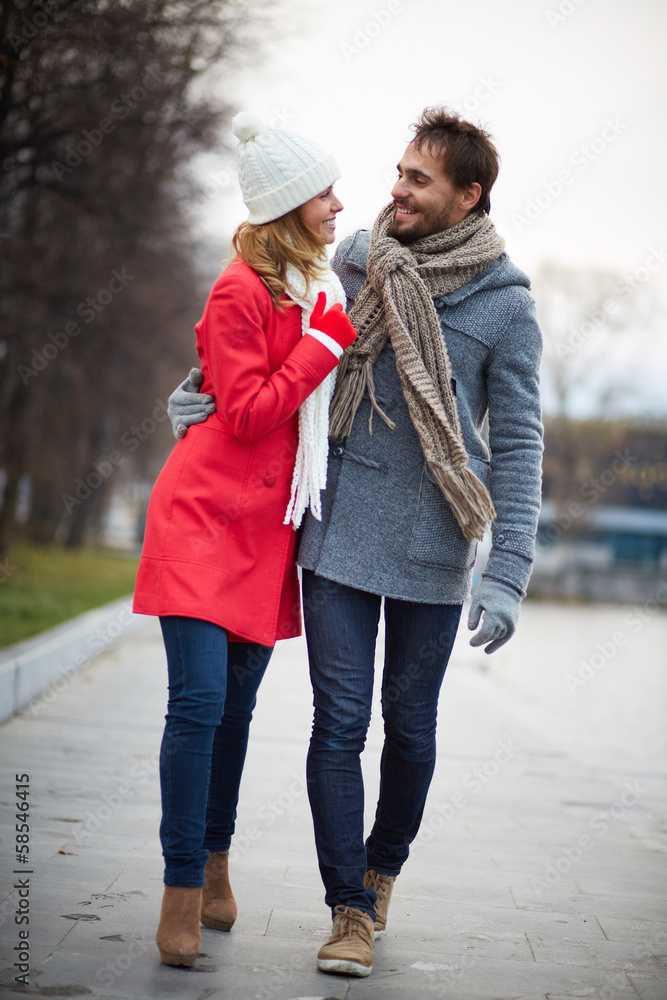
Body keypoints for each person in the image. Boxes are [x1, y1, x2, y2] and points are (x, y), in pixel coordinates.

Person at [168, 105, 543, 978]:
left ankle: (382, 872)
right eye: (398, 172)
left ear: (468, 195)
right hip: (335, 532)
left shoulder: (507, 307)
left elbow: (520, 444)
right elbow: (271, 348)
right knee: (336, 723)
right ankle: (348, 910)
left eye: (417, 180)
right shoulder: (354, 261)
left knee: (409, 728)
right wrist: (198, 396)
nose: (394, 192)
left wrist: (508, 572)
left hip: (432, 549)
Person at [133, 111, 357, 969]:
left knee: (233, 711)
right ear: (289, 204)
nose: (339, 204)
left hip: (267, 536)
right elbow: (251, 410)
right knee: (195, 704)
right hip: (200, 521)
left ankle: (217, 864)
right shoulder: (241, 291)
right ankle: (180, 891)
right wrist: (320, 349)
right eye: (325, 192)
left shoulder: (319, 287)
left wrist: (325, 333)